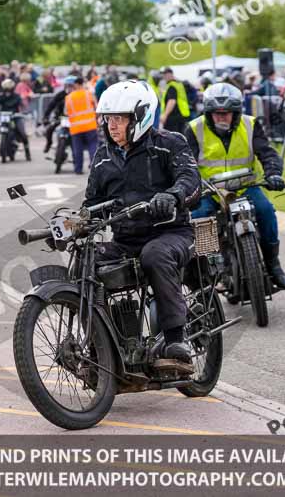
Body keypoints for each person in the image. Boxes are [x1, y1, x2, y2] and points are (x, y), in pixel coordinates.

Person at [84, 80, 201, 370]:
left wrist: (172, 195)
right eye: (108, 119)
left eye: (120, 119)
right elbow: (92, 202)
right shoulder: (102, 156)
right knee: (85, 262)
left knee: (155, 255)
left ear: (140, 117)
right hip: (125, 239)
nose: (112, 126)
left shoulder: (170, 143)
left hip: (171, 232)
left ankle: (176, 339)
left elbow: (191, 179)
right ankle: (101, 344)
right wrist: (79, 222)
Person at [185, 83, 285, 290]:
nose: (222, 117)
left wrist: (274, 174)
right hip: (210, 191)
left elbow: (267, 153)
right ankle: (210, 271)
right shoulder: (194, 129)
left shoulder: (251, 124)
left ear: (236, 113)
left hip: (245, 186)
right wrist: (190, 187)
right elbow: (185, 164)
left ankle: (273, 264)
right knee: (200, 218)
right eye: (217, 113)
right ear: (208, 113)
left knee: (266, 210)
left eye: (227, 113)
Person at [0, 78, 31, 160]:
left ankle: (27, 152)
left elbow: (22, 105)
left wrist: (25, 111)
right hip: (3, 117)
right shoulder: (1, 96)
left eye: (9, 89)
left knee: (22, 133)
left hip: (15, 117)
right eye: (6, 89)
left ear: (12, 89)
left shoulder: (17, 96)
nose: (7, 92)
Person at [64, 77, 99, 175]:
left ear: (75, 85)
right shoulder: (89, 94)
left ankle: (78, 169)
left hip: (76, 127)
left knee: (77, 149)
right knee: (92, 146)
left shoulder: (69, 97)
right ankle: (94, 168)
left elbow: (66, 112)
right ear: (82, 84)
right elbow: (97, 108)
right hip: (90, 125)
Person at [41, 76, 76, 153]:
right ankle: (49, 143)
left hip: (75, 119)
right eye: (67, 86)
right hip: (61, 117)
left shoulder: (78, 96)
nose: (69, 88)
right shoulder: (60, 94)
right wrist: (45, 116)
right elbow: (51, 105)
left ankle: (76, 153)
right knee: (49, 129)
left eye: (71, 86)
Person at [159, 66, 190, 135]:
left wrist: (165, 115)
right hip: (182, 115)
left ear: (170, 74)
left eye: (165, 75)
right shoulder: (178, 84)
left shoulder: (172, 86)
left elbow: (172, 101)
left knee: (173, 138)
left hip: (174, 117)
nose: (164, 77)